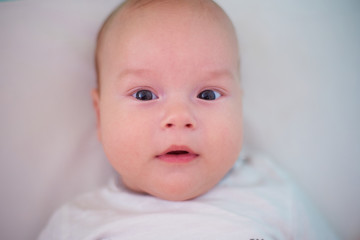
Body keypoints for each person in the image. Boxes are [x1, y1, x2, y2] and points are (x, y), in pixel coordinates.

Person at [39, 0, 338, 239]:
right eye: (144, 95)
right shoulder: (77, 223)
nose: (179, 118)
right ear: (100, 115)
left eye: (208, 95)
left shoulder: (273, 194)